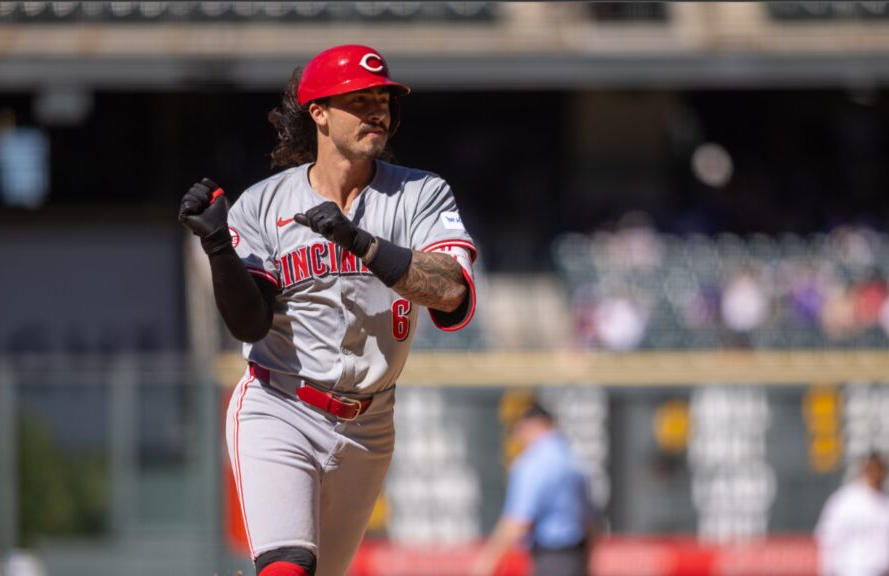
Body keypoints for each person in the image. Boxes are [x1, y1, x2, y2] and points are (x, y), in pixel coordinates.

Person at [177, 44, 477, 576]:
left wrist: (364, 244)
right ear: (318, 112)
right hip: (280, 404)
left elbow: (451, 290)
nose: (375, 110)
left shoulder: (421, 194)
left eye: (381, 98)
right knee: (287, 567)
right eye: (358, 100)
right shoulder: (265, 203)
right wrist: (219, 247)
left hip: (371, 422)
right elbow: (248, 322)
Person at [472, 403, 597, 576]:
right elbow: (589, 522)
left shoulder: (533, 462)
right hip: (576, 557)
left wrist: (488, 562)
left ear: (532, 426)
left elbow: (518, 520)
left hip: (551, 558)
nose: (520, 437)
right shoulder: (575, 460)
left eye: (520, 430)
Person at [815, 453, 889, 576]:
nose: (875, 473)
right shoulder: (843, 502)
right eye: (871, 469)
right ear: (863, 470)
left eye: (879, 468)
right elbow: (828, 541)